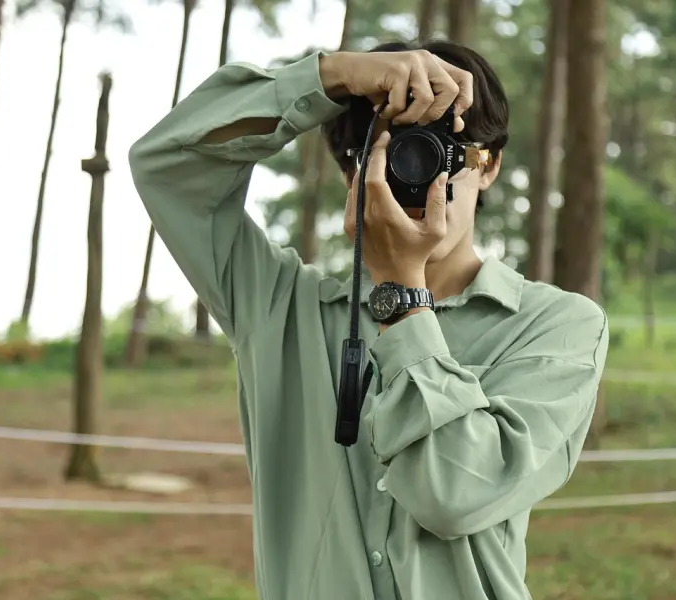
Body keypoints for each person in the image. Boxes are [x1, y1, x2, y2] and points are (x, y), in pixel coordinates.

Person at [129, 39, 609, 600]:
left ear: (490, 164)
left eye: (440, 150)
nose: (414, 172)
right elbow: (168, 162)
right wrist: (332, 77)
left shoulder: (557, 325)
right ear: (351, 173)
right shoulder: (280, 306)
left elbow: (455, 494)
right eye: (384, 153)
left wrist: (400, 292)